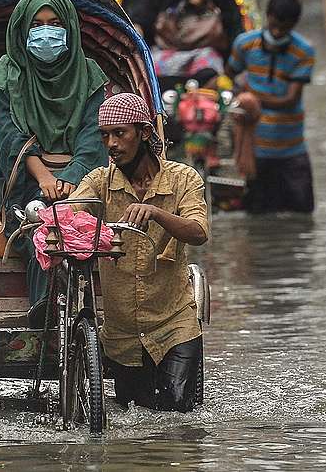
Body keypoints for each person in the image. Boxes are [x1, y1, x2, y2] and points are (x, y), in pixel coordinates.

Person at [69, 92, 208, 412]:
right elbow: (72, 211)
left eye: (120, 133)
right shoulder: (99, 182)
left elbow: (199, 232)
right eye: (105, 136)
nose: (111, 144)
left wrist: (157, 213)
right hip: (122, 338)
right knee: (135, 417)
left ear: (144, 133)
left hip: (174, 325)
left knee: (176, 418)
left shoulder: (184, 178)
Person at [0, 0, 109, 307]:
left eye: (55, 24)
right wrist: (44, 178)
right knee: (42, 230)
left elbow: (93, 136)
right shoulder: (6, 76)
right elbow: (9, 136)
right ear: (23, 30)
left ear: (68, 27)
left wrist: (72, 178)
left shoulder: (90, 74)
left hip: (84, 181)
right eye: (37, 25)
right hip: (23, 182)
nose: (46, 32)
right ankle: (43, 307)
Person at [226, 0, 315, 213]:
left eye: (283, 29)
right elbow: (228, 76)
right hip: (256, 150)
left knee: (301, 214)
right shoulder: (245, 44)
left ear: (293, 25)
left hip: (291, 148)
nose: (276, 33)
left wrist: (251, 97)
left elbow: (289, 100)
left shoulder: (303, 51)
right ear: (267, 17)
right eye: (274, 25)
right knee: (258, 215)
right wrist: (237, 96)